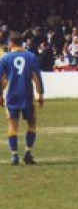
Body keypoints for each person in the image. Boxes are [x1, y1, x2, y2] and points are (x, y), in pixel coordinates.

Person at [0, 33, 46, 165]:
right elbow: (37, 77)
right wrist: (40, 94)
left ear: (11, 43)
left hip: (11, 96)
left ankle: (14, 155)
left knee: (13, 125)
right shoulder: (31, 56)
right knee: (31, 123)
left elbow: (1, 79)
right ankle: (28, 153)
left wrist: (0, 95)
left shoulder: (5, 58)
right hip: (27, 95)